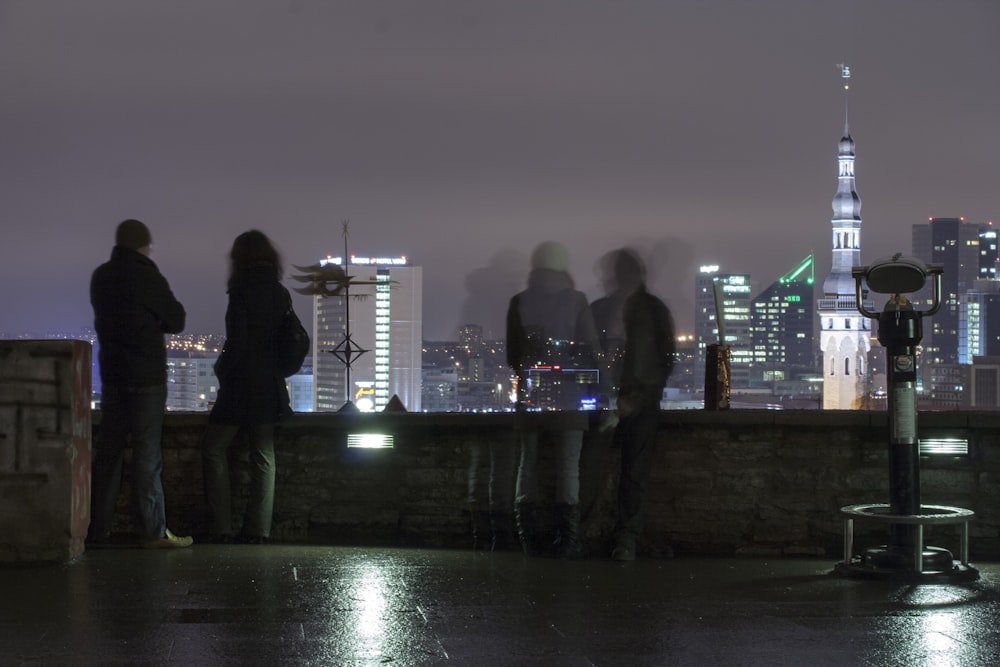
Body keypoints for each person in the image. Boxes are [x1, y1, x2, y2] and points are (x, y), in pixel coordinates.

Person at [89, 219, 192, 548]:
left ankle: (96, 529)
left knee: (108, 455)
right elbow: (176, 318)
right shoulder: (148, 276)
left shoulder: (101, 277)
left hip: (114, 376)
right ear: (143, 246)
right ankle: (152, 531)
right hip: (146, 377)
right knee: (148, 456)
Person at [506, 241, 599, 558]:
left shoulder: (518, 302)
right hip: (570, 398)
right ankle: (568, 541)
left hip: (531, 398)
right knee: (568, 469)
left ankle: (527, 539)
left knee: (526, 466)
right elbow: (590, 351)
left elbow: (512, 355)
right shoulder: (577, 301)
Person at [201, 230, 293, 544]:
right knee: (264, 455)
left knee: (214, 450)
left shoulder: (240, 291)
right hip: (269, 383)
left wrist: (221, 369)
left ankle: (221, 526)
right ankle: (259, 529)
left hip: (241, 383)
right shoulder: (281, 293)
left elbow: (237, 341)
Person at [591, 248, 675, 561]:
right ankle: (624, 539)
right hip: (634, 400)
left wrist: (633, 397)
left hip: (633, 401)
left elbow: (664, 360)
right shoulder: (653, 310)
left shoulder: (603, 309)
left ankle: (613, 536)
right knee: (631, 473)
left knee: (613, 471)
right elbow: (666, 359)